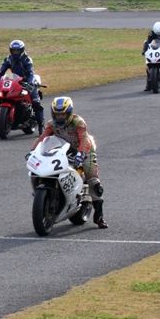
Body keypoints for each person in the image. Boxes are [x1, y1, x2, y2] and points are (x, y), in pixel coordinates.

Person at [31, 97, 108, 229]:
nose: (60, 117)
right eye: (57, 114)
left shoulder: (78, 122)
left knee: (93, 180)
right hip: (63, 151)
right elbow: (42, 139)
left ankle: (99, 217)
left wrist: (81, 154)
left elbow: (84, 139)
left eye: (63, 114)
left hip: (84, 150)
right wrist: (33, 151)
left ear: (69, 113)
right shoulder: (51, 124)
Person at [0, 39, 45, 130]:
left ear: (22, 50)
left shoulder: (27, 59)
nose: (15, 53)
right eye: (13, 51)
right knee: (4, 95)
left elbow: (31, 73)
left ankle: (41, 125)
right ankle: (9, 116)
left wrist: (29, 83)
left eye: (17, 51)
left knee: (36, 102)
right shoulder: (8, 59)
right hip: (15, 80)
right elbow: (1, 72)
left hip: (27, 81)